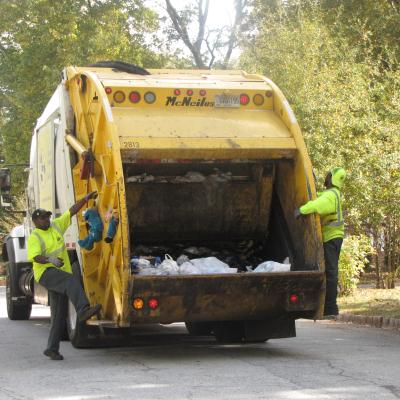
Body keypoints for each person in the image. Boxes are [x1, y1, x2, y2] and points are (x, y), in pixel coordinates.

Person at [27, 191, 102, 361]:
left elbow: (71, 211)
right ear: (36, 222)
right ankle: (83, 310)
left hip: (59, 273)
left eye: (47, 217)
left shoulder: (56, 226)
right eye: (43, 218)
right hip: (46, 273)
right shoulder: (35, 236)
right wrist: (51, 260)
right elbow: (35, 256)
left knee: (59, 314)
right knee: (70, 280)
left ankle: (51, 349)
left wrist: (85, 199)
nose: (47, 220)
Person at [295, 167, 346, 318]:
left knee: (331, 272)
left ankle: (330, 308)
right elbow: (319, 198)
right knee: (330, 272)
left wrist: (301, 210)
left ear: (333, 179)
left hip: (331, 237)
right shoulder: (333, 194)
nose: (326, 177)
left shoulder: (331, 195)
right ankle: (329, 306)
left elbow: (317, 205)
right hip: (333, 237)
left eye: (328, 175)